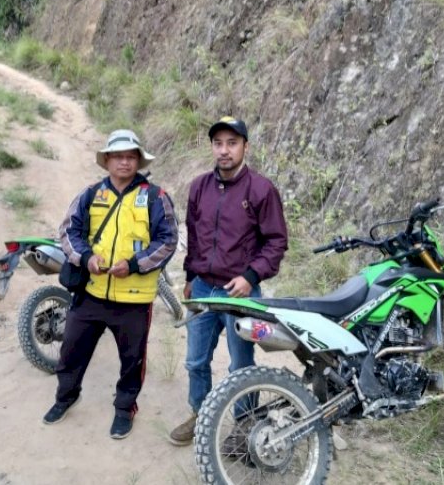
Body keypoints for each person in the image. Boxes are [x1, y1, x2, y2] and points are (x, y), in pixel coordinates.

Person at [43, 129, 179, 439]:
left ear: (138, 161)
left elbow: (168, 241)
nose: (124, 162)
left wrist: (133, 265)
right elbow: (68, 232)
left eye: (131, 157)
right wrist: (87, 258)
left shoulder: (156, 197)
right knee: (71, 352)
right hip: (91, 293)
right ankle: (66, 397)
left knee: (132, 361)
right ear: (106, 161)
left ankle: (124, 409)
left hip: (134, 299)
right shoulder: (90, 194)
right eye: (118, 156)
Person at [168, 116, 288, 446]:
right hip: (204, 289)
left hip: (240, 294)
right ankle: (200, 414)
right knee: (195, 360)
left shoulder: (262, 190)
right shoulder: (200, 187)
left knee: (241, 364)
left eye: (232, 143)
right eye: (218, 143)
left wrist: (251, 277)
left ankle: (244, 426)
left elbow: (276, 242)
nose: (224, 150)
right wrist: (191, 275)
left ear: (245, 147)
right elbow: (194, 235)